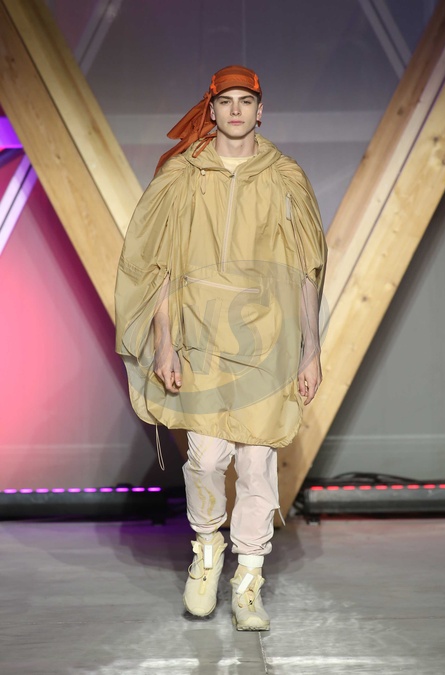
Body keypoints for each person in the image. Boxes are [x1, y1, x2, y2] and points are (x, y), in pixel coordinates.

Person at [115, 65, 327, 631]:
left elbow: (306, 271)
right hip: (200, 337)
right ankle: (207, 553)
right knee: (207, 458)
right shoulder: (182, 177)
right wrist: (164, 343)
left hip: (268, 341)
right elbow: (160, 267)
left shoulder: (286, 178)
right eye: (226, 101)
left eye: (246, 101)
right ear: (210, 110)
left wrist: (310, 349)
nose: (236, 110)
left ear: (261, 110)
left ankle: (249, 580)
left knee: (257, 463)